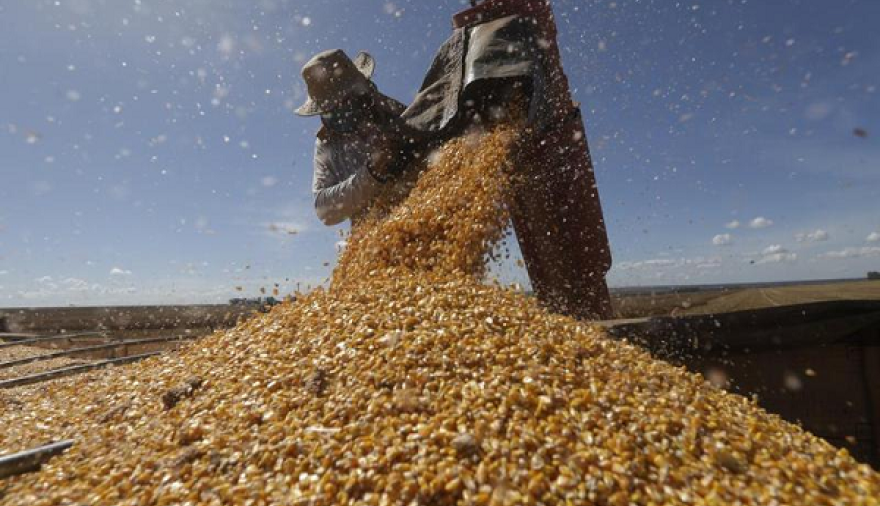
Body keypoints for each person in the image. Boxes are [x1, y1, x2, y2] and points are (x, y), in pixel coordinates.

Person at [295, 49, 416, 226]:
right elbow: (324, 210)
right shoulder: (327, 143)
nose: (345, 115)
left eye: (349, 103)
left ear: (363, 90)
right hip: (375, 235)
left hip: (423, 201)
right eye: (333, 113)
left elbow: (431, 133)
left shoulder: (388, 110)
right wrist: (371, 173)